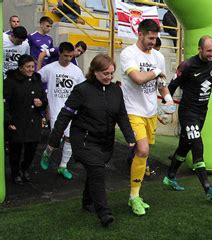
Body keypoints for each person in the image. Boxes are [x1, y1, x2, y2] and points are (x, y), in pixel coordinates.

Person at [45, 54, 135, 227]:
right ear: (94, 72)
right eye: (105, 73)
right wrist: (53, 141)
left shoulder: (116, 90)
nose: (109, 77)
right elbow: (65, 116)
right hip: (84, 141)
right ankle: (104, 212)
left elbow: (122, 115)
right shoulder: (82, 90)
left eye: (111, 73)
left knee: (95, 171)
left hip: (105, 142)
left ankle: (87, 202)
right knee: (97, 172)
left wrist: (129, 136)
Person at [120, 19, 174, 216]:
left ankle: (136, 194)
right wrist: (157, 71)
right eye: (150, 38)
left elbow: (161, 83)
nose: (152, 41)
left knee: (144, 154)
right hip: (133, 110)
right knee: (142, 151)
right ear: (140, 34)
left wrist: (167, 100)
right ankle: (133, 197)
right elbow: (138, 78)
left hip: (151, 111)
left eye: (155, 38)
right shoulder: (128, 53)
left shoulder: (158, 56)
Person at [164, 36, 212, 201]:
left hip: (201, 113)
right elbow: (171, 86)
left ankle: (169, 176)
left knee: (185, 146)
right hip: (188, 113)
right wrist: (166, 104)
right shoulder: (187, 65)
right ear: (200, 49)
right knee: (197, 145)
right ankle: (208, 189)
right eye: (208, 51)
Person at [38, 42, 85, 180]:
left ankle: (63, 166)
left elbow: (82, 89)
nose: (68, 59)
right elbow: (37, 78)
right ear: (60, 53)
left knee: (70, 138)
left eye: (71, 56)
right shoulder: (50, 68)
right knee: (55, 138)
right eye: (66, 56)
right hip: (55, 110)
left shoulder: (76, 71)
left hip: (70, 110)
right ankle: (47, 152)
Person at [4, 54, 48, 185]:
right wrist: (8, 121)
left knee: (32, 149)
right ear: (20, 68)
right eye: (27, 67)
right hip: (16, 121)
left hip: (33, 121)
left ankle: (25, 168)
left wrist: (41, 103)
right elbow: (4, 103)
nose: (31, 69)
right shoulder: (10, 82)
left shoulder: (36, 80)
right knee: (15, 151)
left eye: (32, 66)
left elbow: (44, 99)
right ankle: (15, 173)